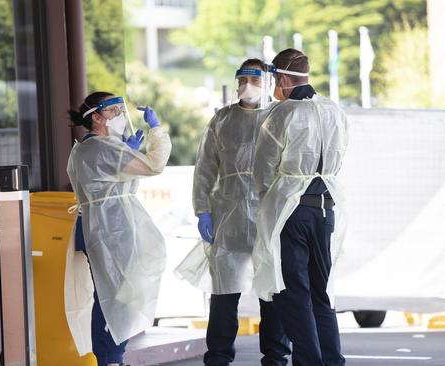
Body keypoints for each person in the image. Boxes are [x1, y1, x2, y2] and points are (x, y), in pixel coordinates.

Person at [176, 59, 290, 366]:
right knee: (224, 293)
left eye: (253, 80)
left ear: (268, 83)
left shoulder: (280, 117)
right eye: (242, 79)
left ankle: (276, 357)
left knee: (272, 291)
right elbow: (205, 168)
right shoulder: (222, 120)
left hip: (269, 214)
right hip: (229, 215)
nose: (246, 86)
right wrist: (202, 210)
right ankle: (218, 357)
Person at [252, 49, 349, 366]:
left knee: (295, 293)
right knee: (322, 294)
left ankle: (309, 362)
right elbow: (340, 153)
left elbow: (263, 170)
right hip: (326, 207)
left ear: (281, 79)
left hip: (290, 210)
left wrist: (272, 196)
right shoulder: (333, 110)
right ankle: (332, 360)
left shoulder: (280, 114)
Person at [65, 91, 172, 366]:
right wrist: (156, 130)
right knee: (115, 297)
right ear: (97, 118)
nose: (120, 117)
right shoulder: (104, 148)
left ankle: (110, 357)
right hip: (111, 229)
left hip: (98, 227)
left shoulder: (86, 148)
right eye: (113, 112)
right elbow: (154, 166)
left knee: (110, 294)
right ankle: (111, 358)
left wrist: (127, 152)